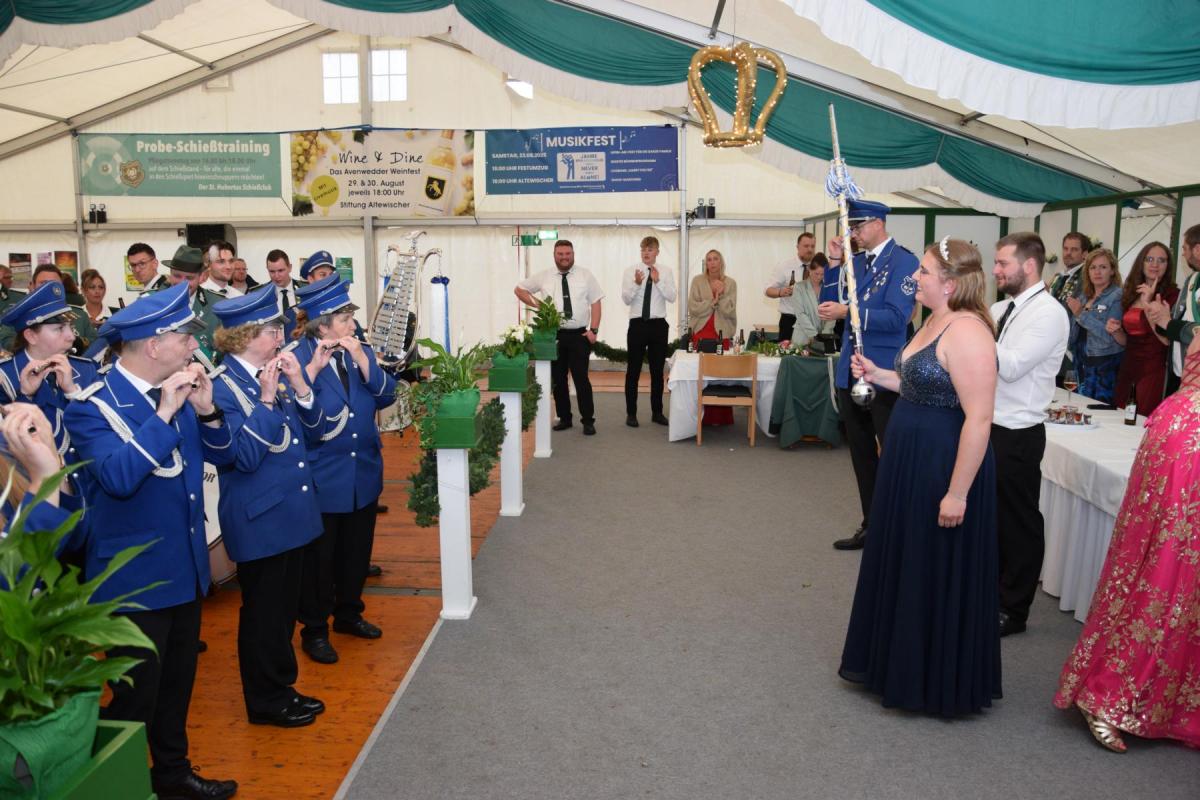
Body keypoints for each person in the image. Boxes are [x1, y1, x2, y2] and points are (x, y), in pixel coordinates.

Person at [63, 282, 238, 800]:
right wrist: (163, 414)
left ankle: (172, 773)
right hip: (134, 580)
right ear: (155, 345)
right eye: (185, 337)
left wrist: (207, 411)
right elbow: (118, 478)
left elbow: (224, 457)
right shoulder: (93, 407)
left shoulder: (179, 392)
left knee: (177, 686)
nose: (194, 345)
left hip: (183, 568)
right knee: (135, 697)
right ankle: (109, 784)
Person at [839, 237, 1000, 715]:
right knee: (908, 558)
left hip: (941, 464)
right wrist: (877, 373)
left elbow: (979, 419)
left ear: (949, 284)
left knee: (933, 564)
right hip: (909, 459)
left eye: (924, 271)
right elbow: (917, 383)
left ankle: (930, 678)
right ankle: (896, 663)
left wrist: (957, 493)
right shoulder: (932, 320)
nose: (915, 277)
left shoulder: (969, 332)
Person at [1053, 331, 1200, 752]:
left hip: (1179, 427)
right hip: (1189, 444)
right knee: (1168, 572)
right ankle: (1108, 696)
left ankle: (1159, 701)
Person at [209, 287, 328, 727]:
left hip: (291, 515)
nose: (281, 337)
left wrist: (300, 385)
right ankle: (265, 701)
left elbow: (314, 434)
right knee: (264, 616)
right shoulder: (223, 388)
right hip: (260, 520)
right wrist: (265, 398)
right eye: (271, 331)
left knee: (282, 614)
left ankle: (282, 689)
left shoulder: (272, 373)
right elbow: (242, 457)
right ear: (243, 336)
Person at [292, 275, 396, 664]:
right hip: (324, 476)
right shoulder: (298, 359)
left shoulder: (359, 350)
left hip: (363, 471)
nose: (353, 325)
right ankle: (315, 629)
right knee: (320, 562)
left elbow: (387, 394)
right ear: (323, 326)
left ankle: (349, 613)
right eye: (345, 319)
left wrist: (365, 363)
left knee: (356, 553)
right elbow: (296, 413)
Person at [818, 199, 918, 551]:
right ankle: (872, 525)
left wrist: (850, 312)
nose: (853, 234)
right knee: (861, 455)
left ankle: (900, 530)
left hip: (884, 373)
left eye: (857, 227)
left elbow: (897, 318)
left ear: (878, 223)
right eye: (851, 228)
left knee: (892, 455)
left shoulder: (904, 262)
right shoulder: (856, 262)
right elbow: (828, 306)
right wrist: (834, 263)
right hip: (852, 371)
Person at [991, 232, 1070, 637]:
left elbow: (1012, 366)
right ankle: (992, 593)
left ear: (1029, 266)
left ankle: (1014, 608)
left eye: (1002, 263)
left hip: (1019, 431)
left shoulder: (1049, 314)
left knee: (1018, 522)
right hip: (989, 425)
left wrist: (972, 333)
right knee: (992, 518)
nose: (995, 270)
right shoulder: (1000, 308)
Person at [0, 282, 98, 468]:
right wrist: (26, 396)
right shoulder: (4, 377)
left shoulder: (86, 370)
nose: (71, 336)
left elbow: (99, 434)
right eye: (59, 329)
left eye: (70, 327)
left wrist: (72, 392)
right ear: (31, 336)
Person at [515, 240, 604, 436]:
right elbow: (519, 289)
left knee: (581, 379)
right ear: (554, 255)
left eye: (568, 254)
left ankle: (588, 420)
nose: (564, 257)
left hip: (579, 335)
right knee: (558, 380)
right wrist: (539, 305)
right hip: (554, 335)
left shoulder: (585, 275)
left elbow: (596, 302)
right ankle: (564, 418)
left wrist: (594, 330)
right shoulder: (545, 276)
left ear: (573, 254)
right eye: (560, 254)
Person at [1111, 241, 1178, 417]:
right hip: (1128, 366)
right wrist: (1116, 331)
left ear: (1168, 266)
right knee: (1121, 417)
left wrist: (1148, 305)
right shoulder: (1132, 292)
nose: (1155, 264)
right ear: (1141, 262)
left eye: (1161, 260)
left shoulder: (1172, 295)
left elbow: (1166, 340)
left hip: (1153, 369)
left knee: (1141, 419)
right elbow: (1127, 341)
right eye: (1149, 259)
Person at [620, 236, 674, 427]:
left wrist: (658, 281)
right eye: (643, 249)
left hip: (658, 325)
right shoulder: (631, 271)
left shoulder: (666, 271)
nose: (646, 253)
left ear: (657, 252)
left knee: (657, 371)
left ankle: (657, 413)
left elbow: (672, 297)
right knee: (633, 371)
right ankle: (631, 414)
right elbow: (626, 299)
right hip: (637, 325)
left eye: (650, 249)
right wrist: (636, 283)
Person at [1146, 223, 1200, 397]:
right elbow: (1171, 326)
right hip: (1179, 371)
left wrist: (1168, 322)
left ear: (1197, 250)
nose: (1183, 254)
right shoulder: (1192, 279)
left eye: (1185, 248)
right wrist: (1161, 318)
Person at [1065, 249, 1124, 403]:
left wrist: (1081, 314)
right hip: (1079, 363)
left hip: (1103, 366)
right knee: (1077, 407)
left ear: (1112, 271)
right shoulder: (1083, 296)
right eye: (1093, 267)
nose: (1097, 272)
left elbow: (1109, 337)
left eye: (1103, 267)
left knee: (1098, 412)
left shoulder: (1117, 295)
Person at [687, 249, 738, 427]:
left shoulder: (730, 283)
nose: (712, 262)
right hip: (700, 332)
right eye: (709, 259)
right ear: (706, 263)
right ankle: (697, 415)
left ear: (721, 262)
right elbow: (693, 308)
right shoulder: (697, 281)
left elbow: (729, 310)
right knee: (699, 373)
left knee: (720, 374)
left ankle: (719, 417)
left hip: (722, 333)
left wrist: (721, 294)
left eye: (716, 259)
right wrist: (712, 302)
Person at [162, 245, 224, 365]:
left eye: (189, 278)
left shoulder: (217, 306)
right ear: (170, 274)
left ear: (201, 277)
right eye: (177, 276)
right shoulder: (154, 303)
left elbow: (227, 352)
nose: (182, 283)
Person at [764, 232, 816, 344]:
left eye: (812, 246)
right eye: (806, 246)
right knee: (787, 352)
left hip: (813, 320)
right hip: (789, 320)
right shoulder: (784, 266)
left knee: (812, 352)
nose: (810, 249)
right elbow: (767, 290)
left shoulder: (819, 268)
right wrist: (780, 292)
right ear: (797, 247)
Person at [267, 249, 306, 338]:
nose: (276, 276)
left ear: (290, 267)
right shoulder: (261, 296)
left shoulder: (305, 290)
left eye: (281, 270)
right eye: (272, 271)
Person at [1049, 232, 1090, 306]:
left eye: (1074, 249)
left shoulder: (1087, 277)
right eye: (1065, 249)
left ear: (1085, 254)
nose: (1068, 253)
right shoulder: (1058, 276)